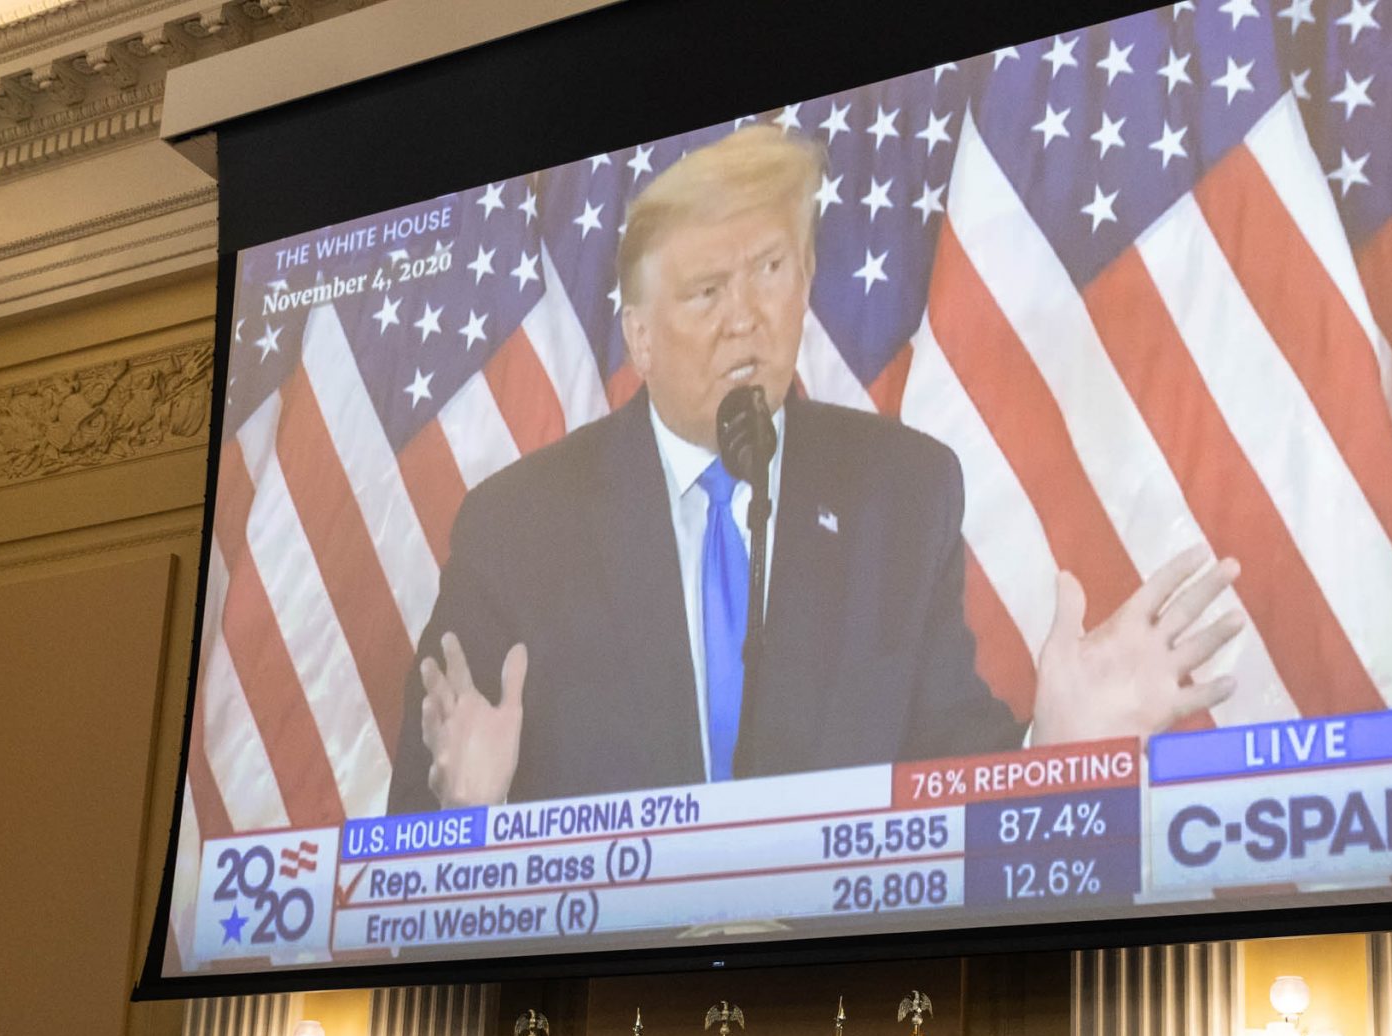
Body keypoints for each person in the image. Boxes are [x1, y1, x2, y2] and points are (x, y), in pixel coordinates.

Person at [390, 125, 1242, 813]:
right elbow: (416, 837)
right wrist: (470, 817)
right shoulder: (519, 525)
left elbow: (944, 774)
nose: (747, 319)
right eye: (706, 290)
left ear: (804, 287)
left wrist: (1053, 748)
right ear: (640, 337)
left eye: (770, 271)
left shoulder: (901, 492)